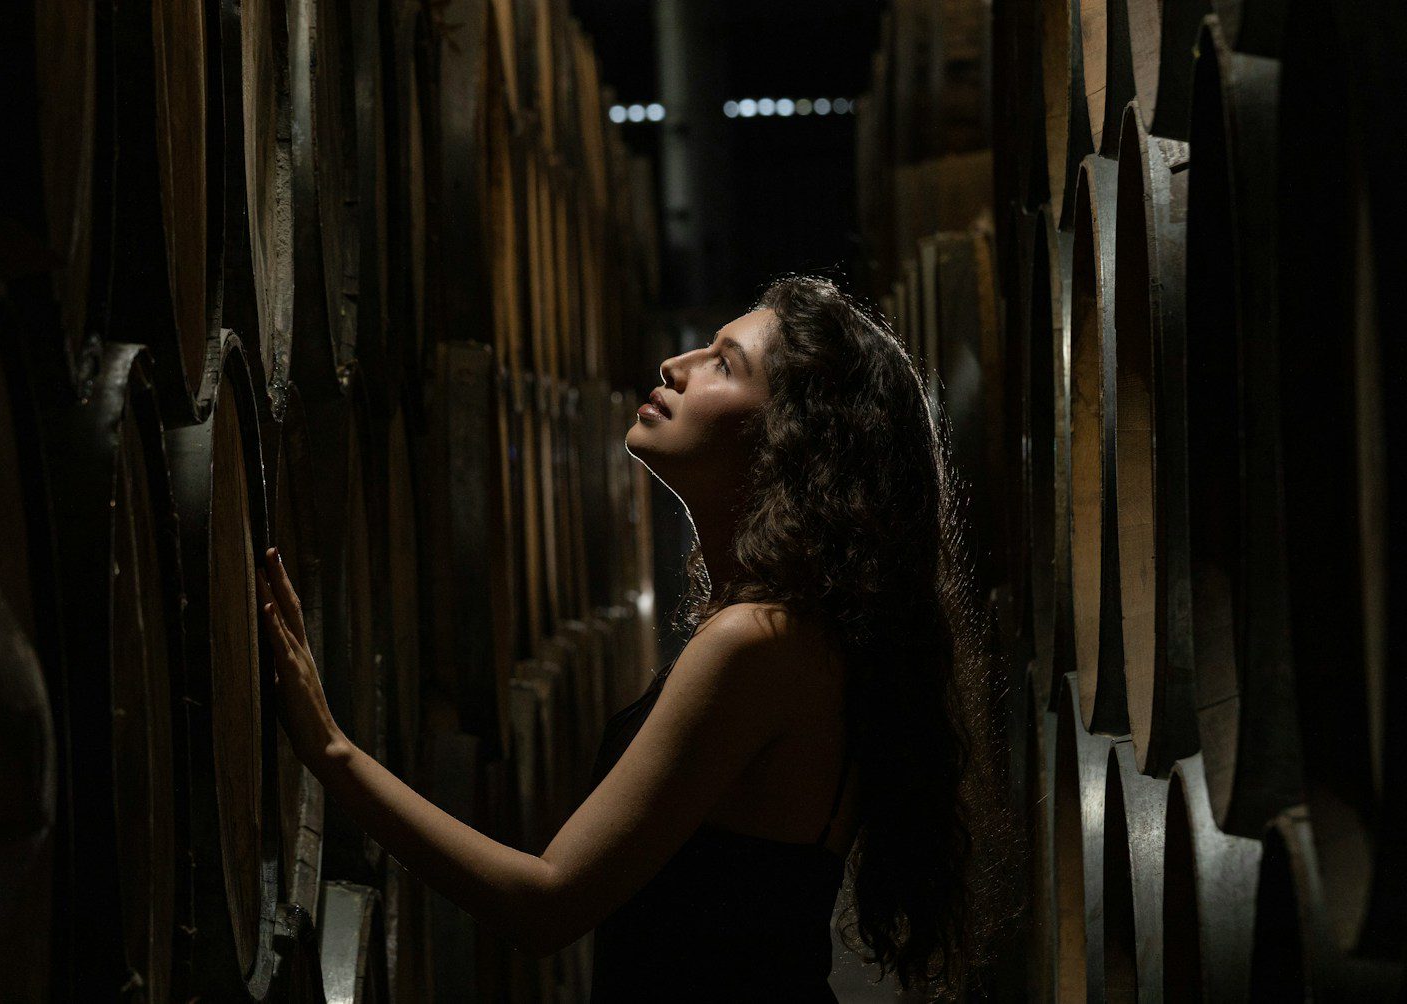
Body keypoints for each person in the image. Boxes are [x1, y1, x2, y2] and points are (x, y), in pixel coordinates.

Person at [259, 274, 1022, 1000]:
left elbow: (547, 903)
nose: (677, 363)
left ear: (789, 442)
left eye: (723, 363)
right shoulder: (793, 631)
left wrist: (331, 751)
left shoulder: (758, 642)